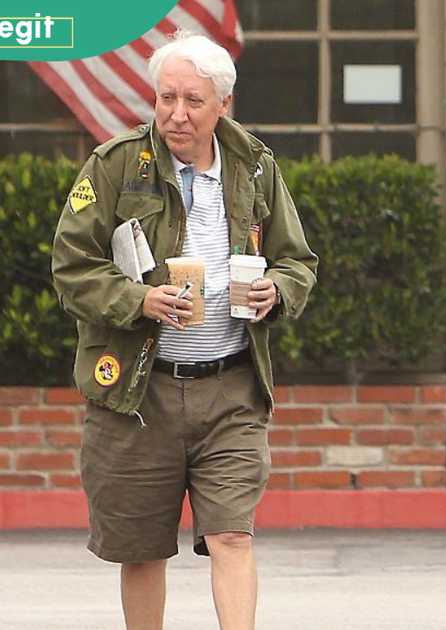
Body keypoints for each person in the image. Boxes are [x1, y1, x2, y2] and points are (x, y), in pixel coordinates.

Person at [51, 32, 318, 630]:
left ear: (223, 103)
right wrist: (139, 300)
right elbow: (71, 268)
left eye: (193, 101)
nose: (176, 113)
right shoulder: (116, 165)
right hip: (138, 394)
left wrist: (277, 290)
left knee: (232, 536)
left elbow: (297, 261)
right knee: (142, 549)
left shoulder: (255, 167)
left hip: (232, 390)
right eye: (166, 97)